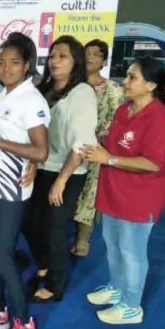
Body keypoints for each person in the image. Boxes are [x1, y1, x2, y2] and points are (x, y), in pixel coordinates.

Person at [82, 56, 165, 324]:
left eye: (132, 77)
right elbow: (115, 145)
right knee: (112, 246)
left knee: (132, 252)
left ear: (151, 85)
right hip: (114, 191)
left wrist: (109, 159)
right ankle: (116, 287)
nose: (124, 82)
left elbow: (153, 163)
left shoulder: (160, 118)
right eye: (126, 75)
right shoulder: (123, 110)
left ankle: (132, 305)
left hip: (139, 198)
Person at [0, 34, 50, 329]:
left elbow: (41, 151)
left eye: (14, 62)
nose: (6, 67)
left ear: (28, 65)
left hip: (11, 188)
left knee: (3, 255)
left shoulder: (32, 101)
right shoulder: (2, 93)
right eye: (1, 61)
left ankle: (24, 322)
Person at [22, 35, 98, 302]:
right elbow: (35, 136)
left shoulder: (82, 93)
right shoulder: (44, 91)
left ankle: (55, 285)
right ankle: (44, 262)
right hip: (43, 166)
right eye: (52, 56)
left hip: (69, 170)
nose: (55, 61)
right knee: (29, 221)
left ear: (75, 60)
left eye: (62, 56)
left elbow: (82, 144)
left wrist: (62, 180)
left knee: (54, 228)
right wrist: (32, 163)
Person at [72, 39, 125, 256]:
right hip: (69, 146)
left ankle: (82, 237)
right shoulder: (71, 85)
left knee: (90, 193)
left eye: (96, 54)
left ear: (104, 61)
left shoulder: (112, 89)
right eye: (87, 52)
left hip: (96, 150)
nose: (90, 57)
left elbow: (119, 121)